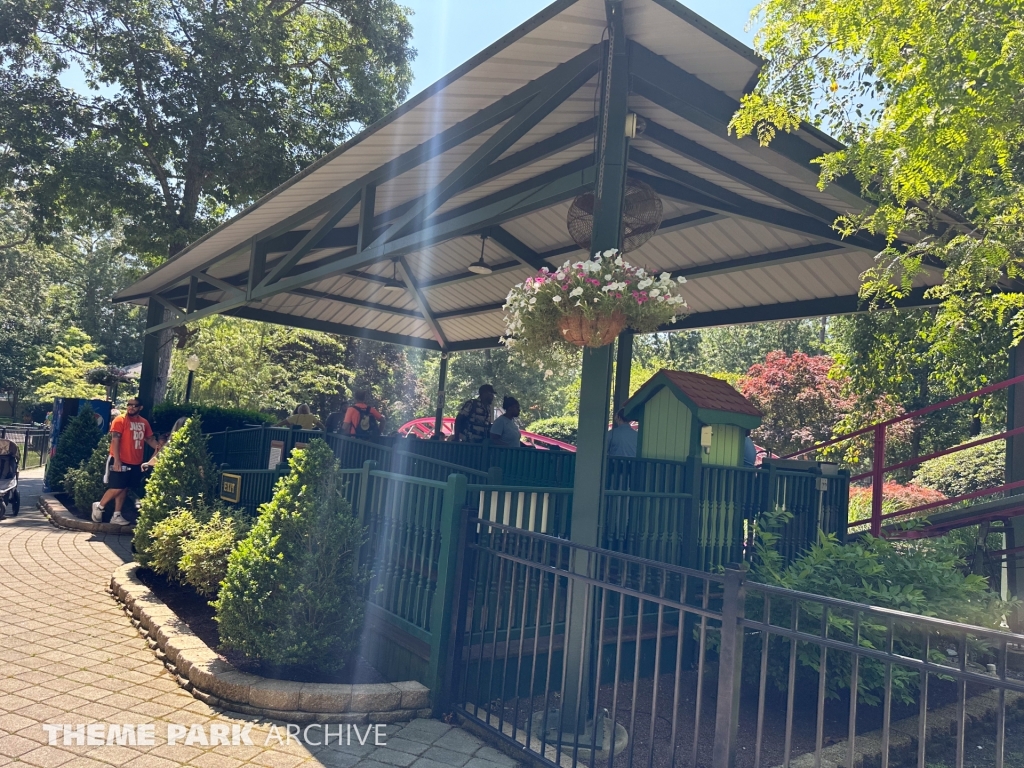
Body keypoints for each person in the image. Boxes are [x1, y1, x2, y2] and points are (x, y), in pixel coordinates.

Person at [92, 398, 161, 525]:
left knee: (124, 488)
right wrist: (117, 460)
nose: (131, 407)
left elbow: (150, 439)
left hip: (135, 462)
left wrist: (160, 447)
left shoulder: (144, 422)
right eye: (129, 405)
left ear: (140, 408)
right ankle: (99, 506)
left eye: (135, 406)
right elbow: (115, 440)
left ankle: (116, 515)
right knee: (117, 487)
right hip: (120, 460)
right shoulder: (120, 420)